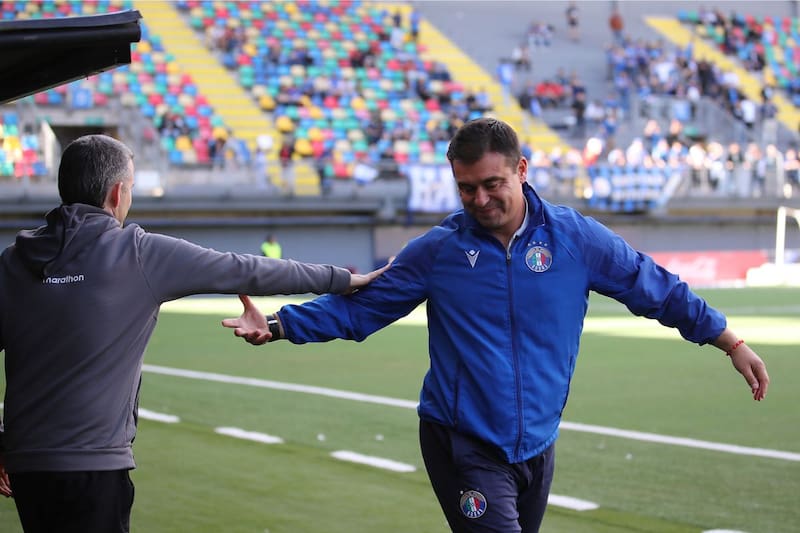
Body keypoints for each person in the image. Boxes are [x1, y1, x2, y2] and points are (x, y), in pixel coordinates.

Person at [222, 118, 770, 533]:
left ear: (522, 170)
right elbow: (361, 310)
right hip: (465, 443)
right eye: (466, 188)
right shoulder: (438, 251)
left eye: (491, 184)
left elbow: (656, 288)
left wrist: (728, 340)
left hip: (536, 445)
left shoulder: (575, 240)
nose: (479, 200)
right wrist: (277, 323)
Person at [0, 134, 387, 533]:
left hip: (27, 466)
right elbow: (245, 268)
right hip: (94, 466)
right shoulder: (137, 252)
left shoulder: (13, 261)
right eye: (131, 188)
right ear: (117, 193)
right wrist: (341, 279)